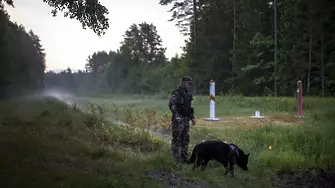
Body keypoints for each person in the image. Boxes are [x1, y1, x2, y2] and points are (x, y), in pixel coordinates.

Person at [169, 76, 196, 163]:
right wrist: (177, 117)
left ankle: (184, 158)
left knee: (185, 139)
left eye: (191, 84)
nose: (189, 86)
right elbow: (172, 105)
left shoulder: (189, 94)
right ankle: (175, 159)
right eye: (188, 84)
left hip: (186, 119)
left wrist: (192, 118)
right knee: (177, 139)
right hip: (178, 120)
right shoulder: (176, 93)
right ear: (183, 82)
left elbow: (190, 107)